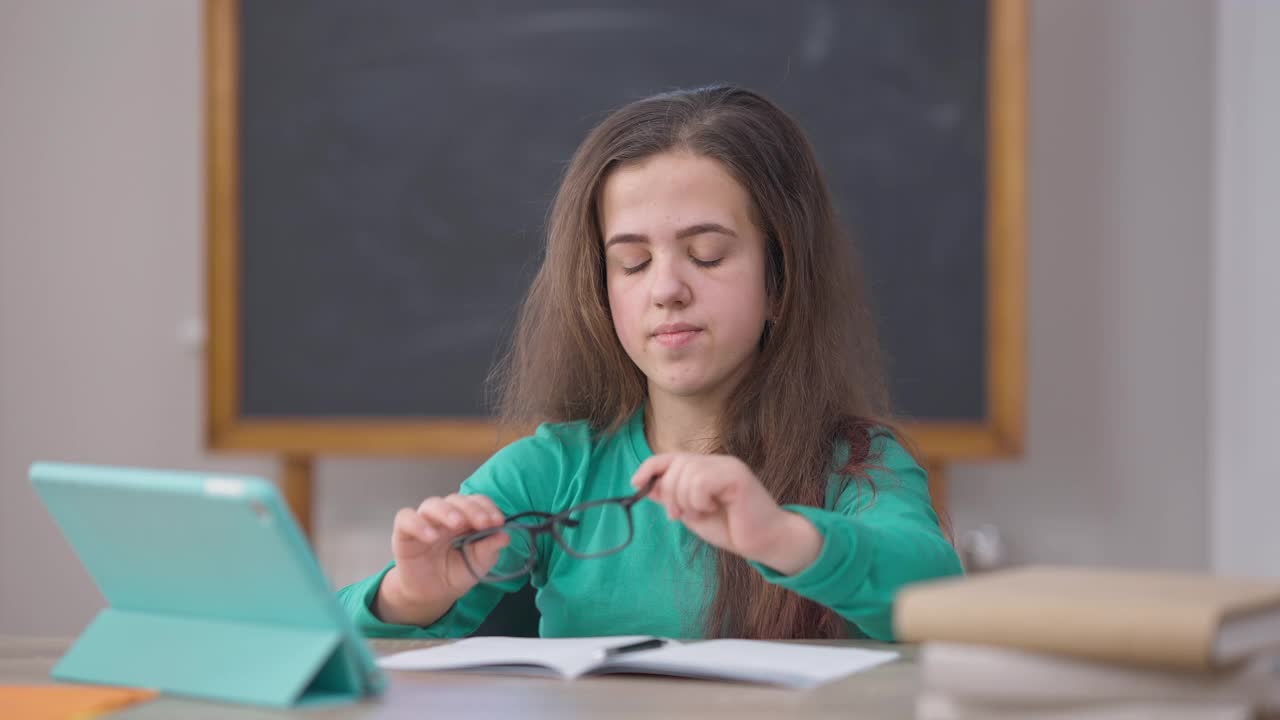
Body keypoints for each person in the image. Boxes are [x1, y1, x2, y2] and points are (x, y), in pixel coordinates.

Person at [337, 85, 963, 641]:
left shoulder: (859, 464)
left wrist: (779, 536)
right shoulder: (550, 472)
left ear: (780, 281)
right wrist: (409, 596)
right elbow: (317, 637)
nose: (666, 289)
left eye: (709, 254)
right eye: (632, 263)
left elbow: (935, 589)